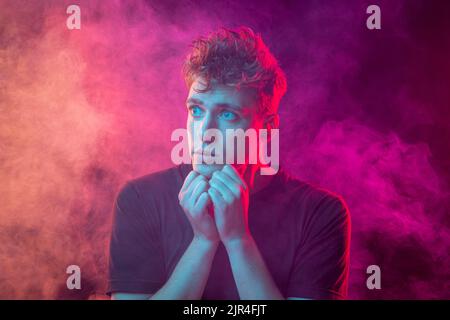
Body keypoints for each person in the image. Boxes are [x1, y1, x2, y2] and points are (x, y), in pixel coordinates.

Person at [107, 27, 351, 300]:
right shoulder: (140, 199)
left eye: (227, 115)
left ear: (267, 128)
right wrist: (203, 243)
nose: (205, 131)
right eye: (196, 110)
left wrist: (238, 240)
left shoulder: (320, 213)